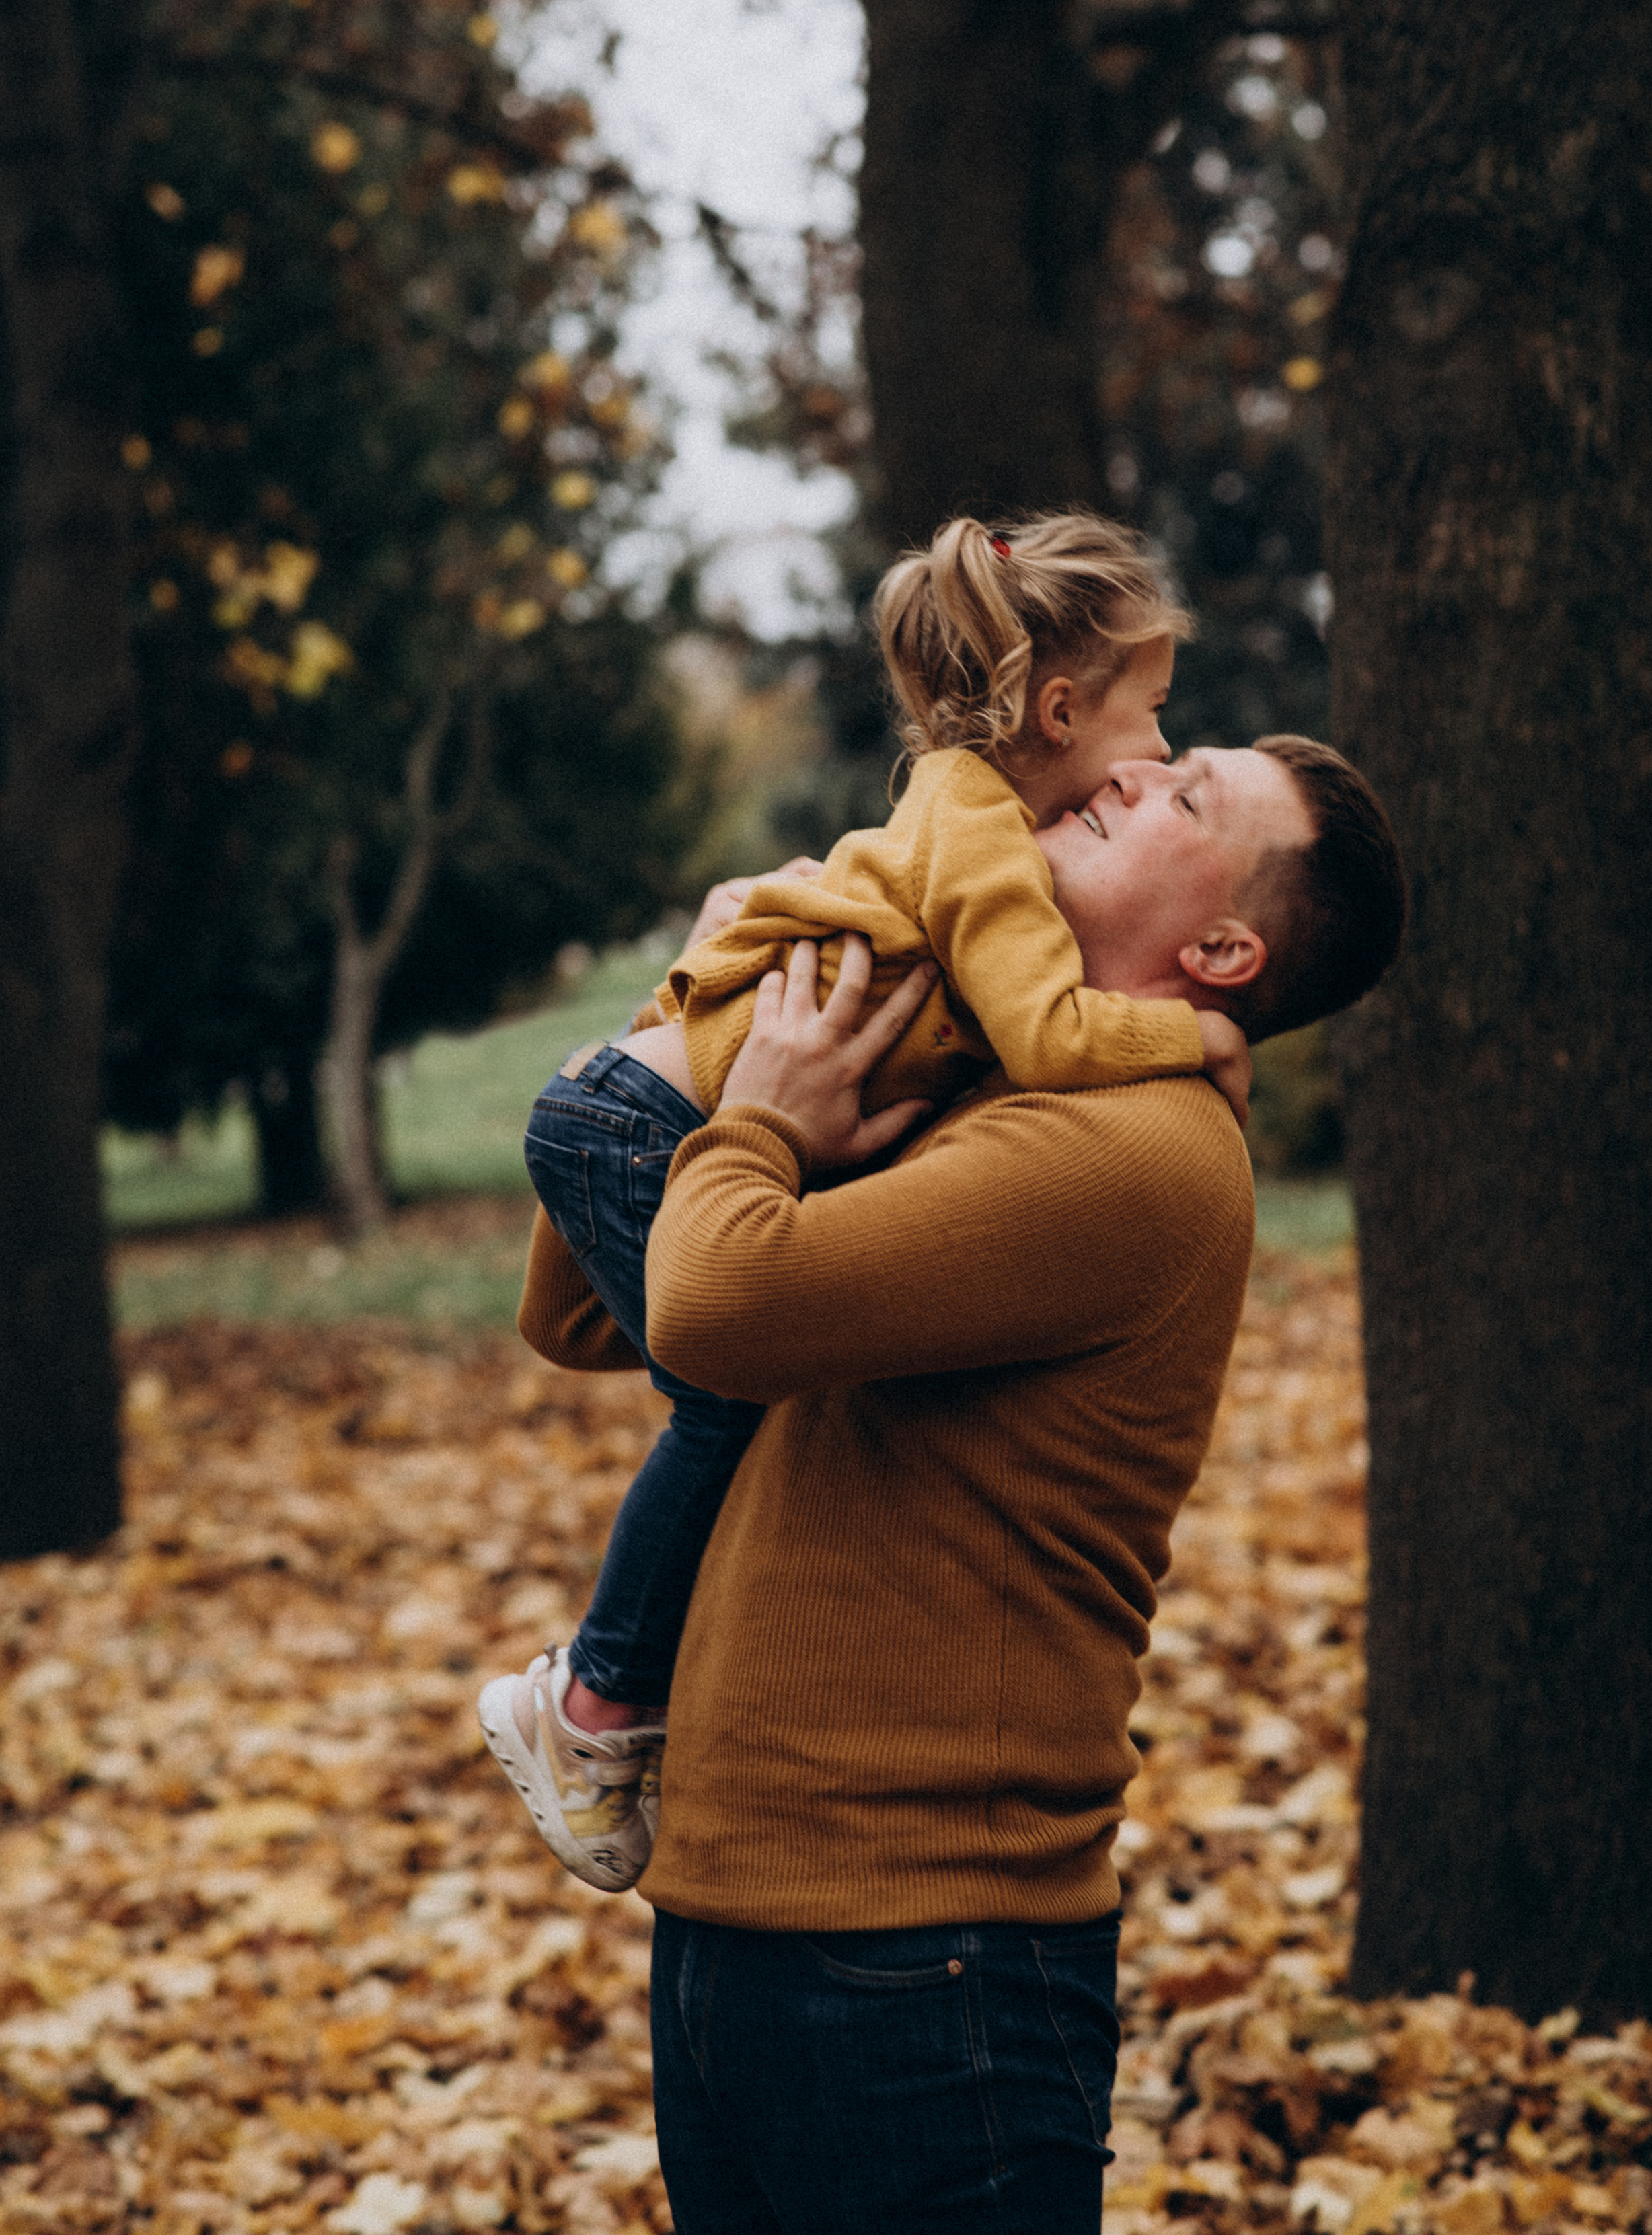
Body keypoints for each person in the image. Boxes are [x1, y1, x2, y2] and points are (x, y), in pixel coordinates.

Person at [517, 731, 1404, 2235]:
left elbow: (713, 1308)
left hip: (927, 1958)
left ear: (1218, 946)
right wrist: (691, 1015)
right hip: (740, 1917)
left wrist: (763, 1127)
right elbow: (589, 1308)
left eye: (1183, 798)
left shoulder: (1139, 1151)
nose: (1125, 772)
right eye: (1163, 757)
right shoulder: (973, 1086)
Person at [480, 510, 1259, 1891]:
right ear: (1064, 706)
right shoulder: (984, 847)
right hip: (641, 1116)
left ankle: (603, 1699)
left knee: (723, 1385)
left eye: (1181, 784)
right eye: (1154, 727)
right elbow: (1053, 1033)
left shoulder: (966, 843)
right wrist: (1189, 1037)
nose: (1146, 764)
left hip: (635, 1113)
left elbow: (611, 1315)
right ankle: (594, 1698)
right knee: (723, 1389)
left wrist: (734, 1088)